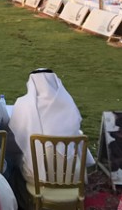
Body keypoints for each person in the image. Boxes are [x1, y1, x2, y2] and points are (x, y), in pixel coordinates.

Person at [7, 68, 95, 202]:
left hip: (37, 176)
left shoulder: (23, 104)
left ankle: (25, 203)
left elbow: (17, 136)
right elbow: (76, 131)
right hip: (71, 174)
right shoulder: (68, 103)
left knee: (14, 162)